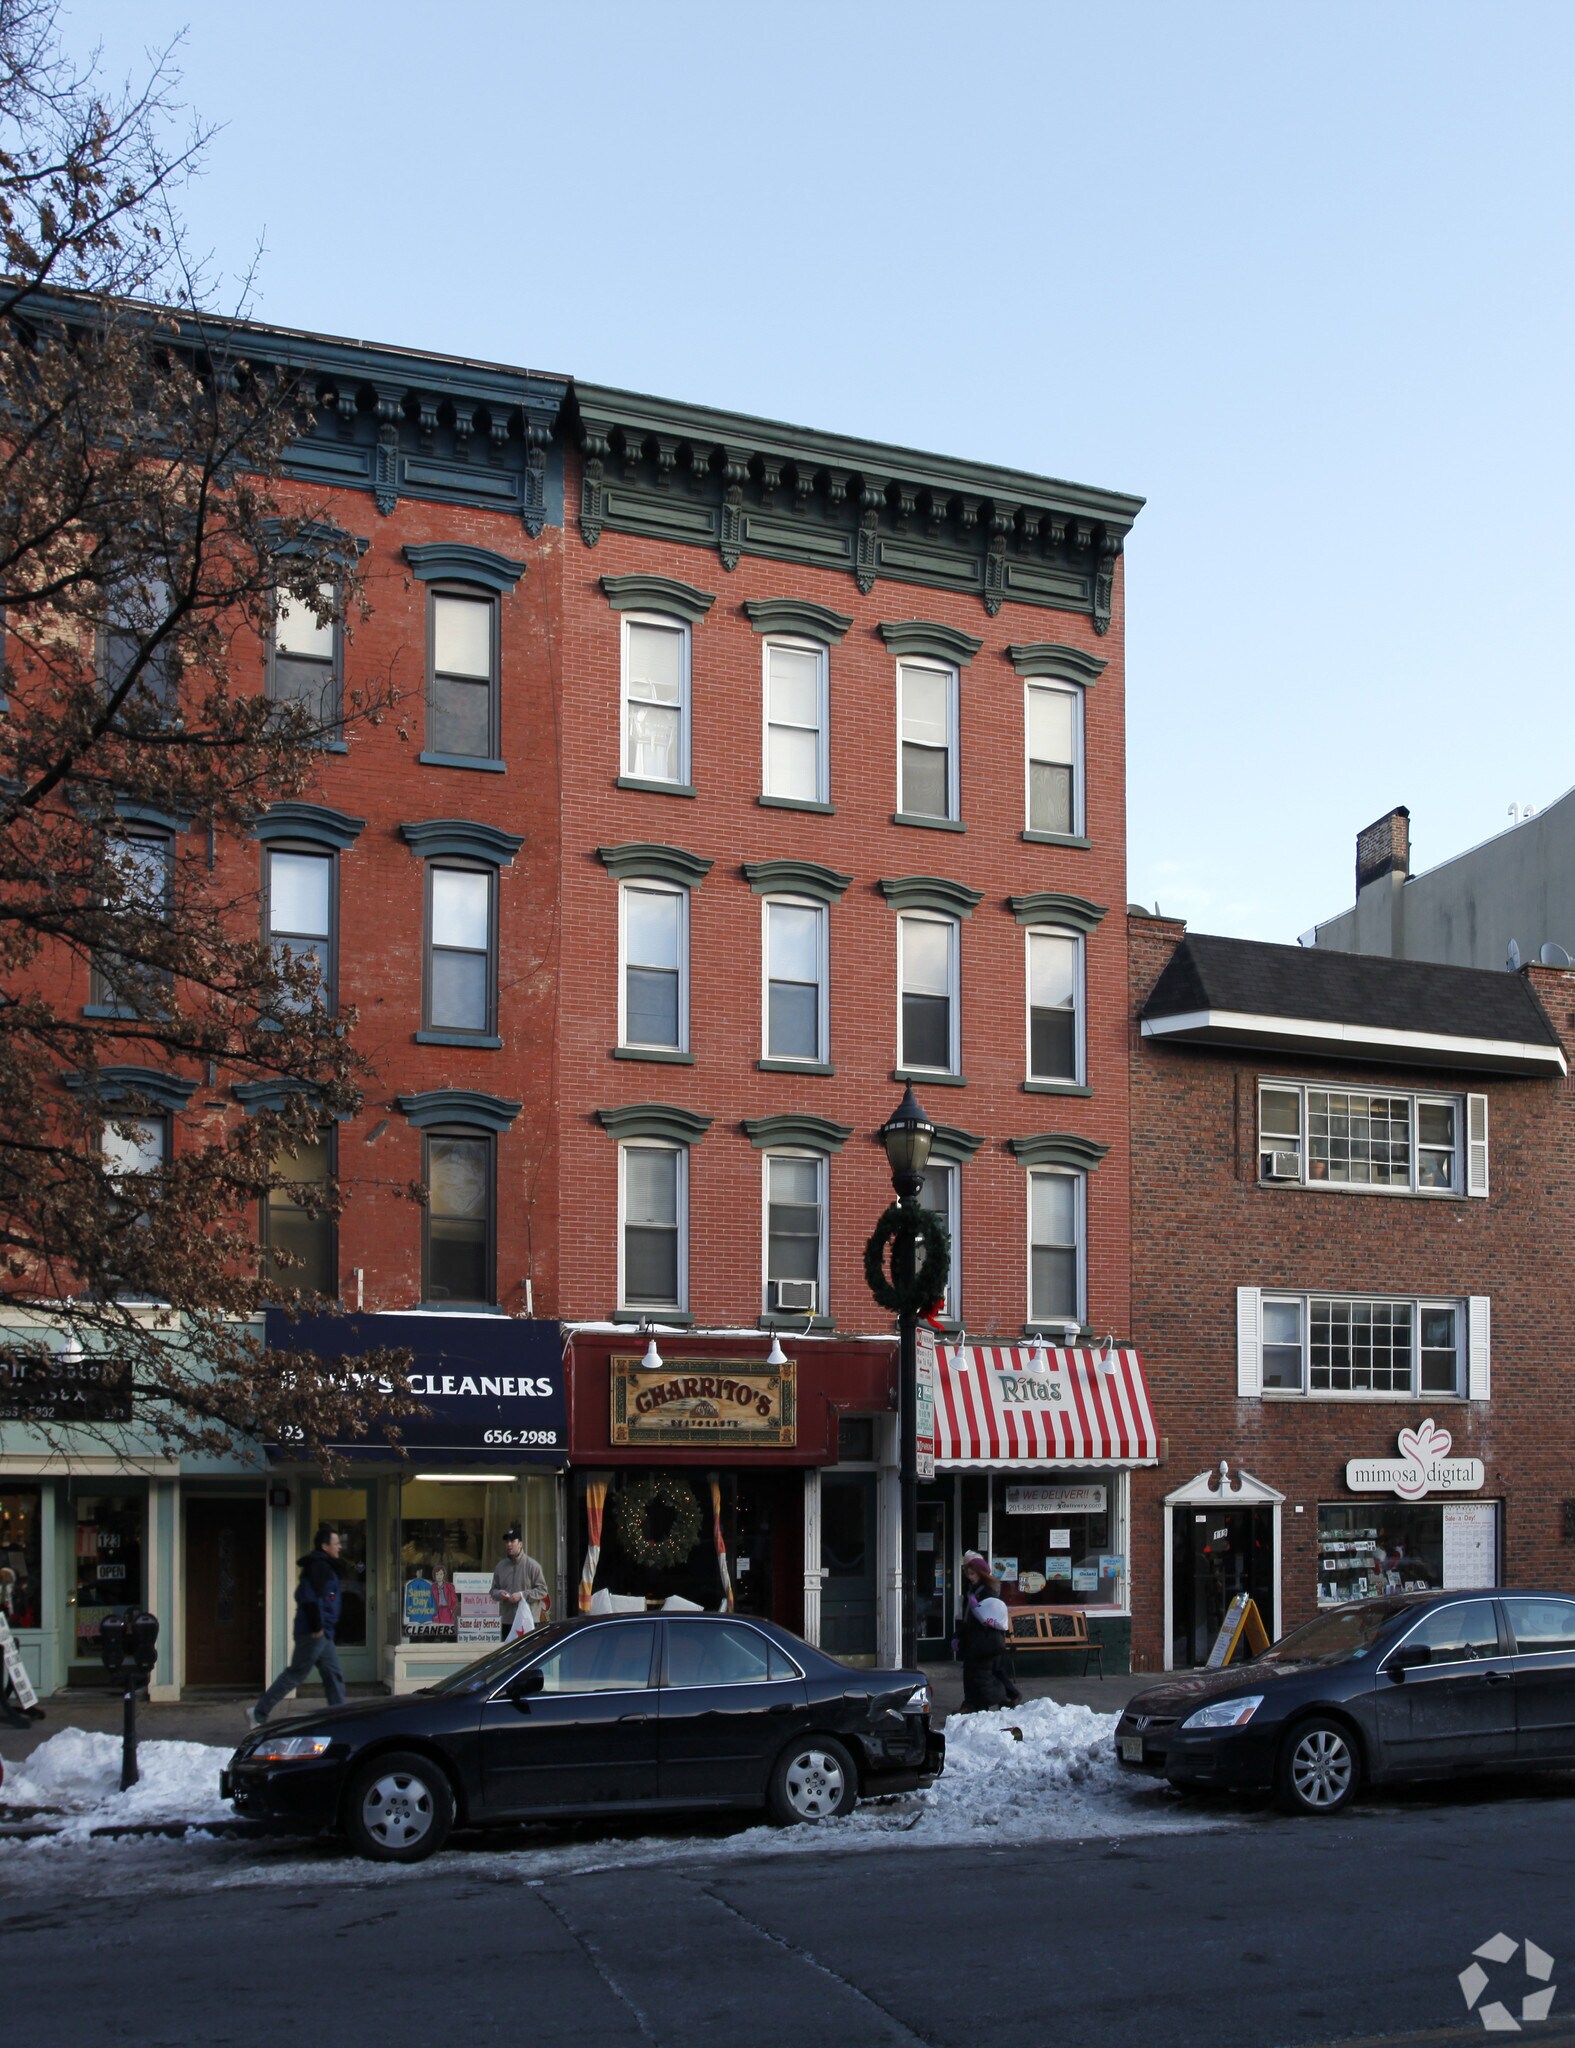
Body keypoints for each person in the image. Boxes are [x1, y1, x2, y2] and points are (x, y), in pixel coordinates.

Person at [249, 1525, 346, 1728]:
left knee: (333, 1674)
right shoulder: (318, 1567)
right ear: (324, 1546)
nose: (340, 1547)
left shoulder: (325, 1566)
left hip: (323, 1633)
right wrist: (317, 1627)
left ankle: (339, 1719)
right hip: (314, 1633)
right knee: (296, 1674)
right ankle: (258, 1713)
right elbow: (309, 1599)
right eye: (336, 1543)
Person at [952, 1552, 1020, 1711]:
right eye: (968, 1574)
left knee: (980, 1674)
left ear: (980, 1573)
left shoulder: (987, 1591)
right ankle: (982, 1702)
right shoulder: (974, 1590)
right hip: (981, 1640)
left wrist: (977, 1609)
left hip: (985, 1640)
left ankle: (988, 1701)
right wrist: (959, 1635)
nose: (970, 1577)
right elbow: (968, 1617)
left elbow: (987, 1616)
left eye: (972, 1574)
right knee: (983, 1672)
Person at [489, 1525, 548, 1641]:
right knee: (509, 1657)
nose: (509, 1544)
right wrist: (499, 1593)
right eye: (507, 1542)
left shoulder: (533, 1566)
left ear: (520, 1544)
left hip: (528, 1621)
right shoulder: (500, 1567)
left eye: (512, 1541)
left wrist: (521, 1595)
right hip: (508, 1621)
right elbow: (492, 1591)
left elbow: (543, 1591)